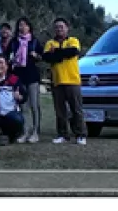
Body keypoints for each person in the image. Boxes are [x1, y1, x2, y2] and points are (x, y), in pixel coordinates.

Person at [43, 17, 87, 145]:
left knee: (76, 109)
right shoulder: (50, 43)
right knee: (60, 111)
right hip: (57, 81)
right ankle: (63, 134)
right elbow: (47, 57)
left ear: (67, 28)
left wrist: (57, 53)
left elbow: (73, 52)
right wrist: (59, 54)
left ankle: (80, 134)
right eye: (56, 27)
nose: (59, 29)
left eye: (61, 26)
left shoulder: (73, 40)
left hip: (72, 80)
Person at [7, 17, 44, 143]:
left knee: (34, 105)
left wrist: (36, 55)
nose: (22, 27)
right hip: (19, 77)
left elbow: (42, 57)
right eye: (20, 25)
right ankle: (25, 131)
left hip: (32, 76)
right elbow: (7, 58)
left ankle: (35, 132)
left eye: (25, 25)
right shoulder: (13, 42)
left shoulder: (34, 41)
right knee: (23, 106)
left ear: (29, 27)